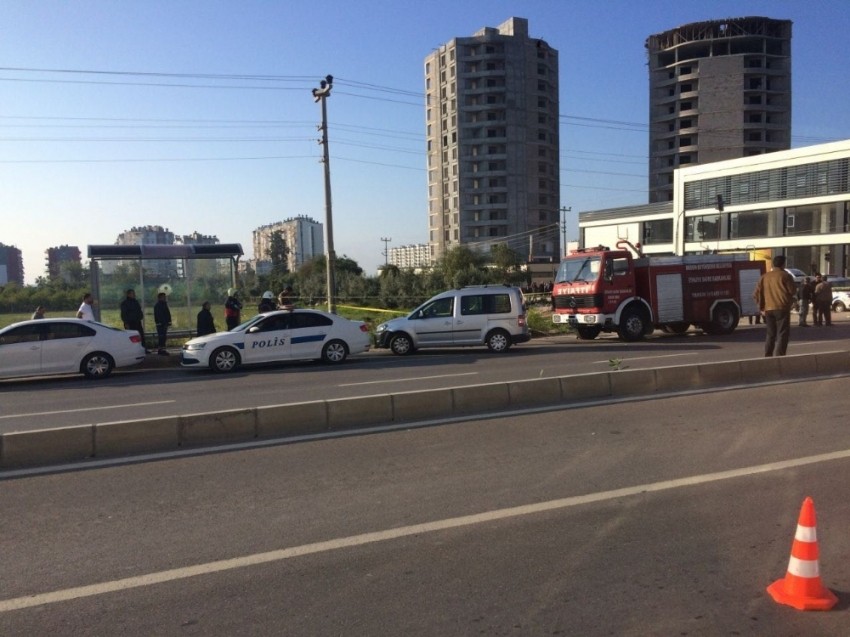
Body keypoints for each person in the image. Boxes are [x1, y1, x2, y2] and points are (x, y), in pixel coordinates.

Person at [753, 255, 797, 357]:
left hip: (768, 309)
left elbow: (755, 294)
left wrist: (761, 307)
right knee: (782, 333)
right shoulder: (785, 275)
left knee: (770, 334)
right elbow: (792, 291)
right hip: (782, 307)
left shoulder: (764, 277)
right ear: (783, 264)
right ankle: (779, 356)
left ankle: (768, 355)